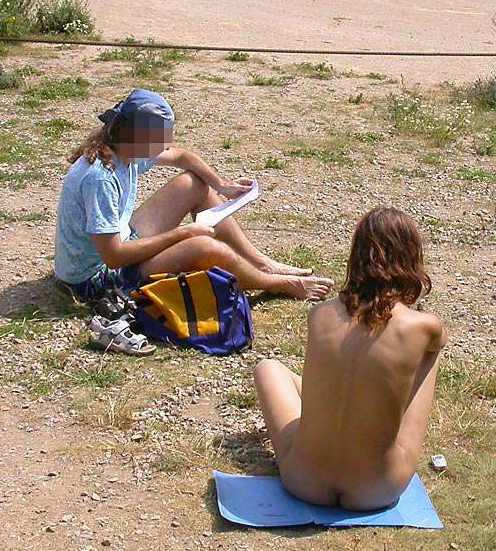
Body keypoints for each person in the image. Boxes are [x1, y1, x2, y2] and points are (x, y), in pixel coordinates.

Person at [53, 89, 335, 305]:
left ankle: (262, 262)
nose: (165, 145)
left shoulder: (122, 148)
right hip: (94, 280)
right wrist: (183, 234)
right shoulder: (101, 178)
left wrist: (222, 185)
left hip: (119, 245)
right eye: (160, 139)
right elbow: (114, 257)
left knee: (194, 184)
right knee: (203, 246)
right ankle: (276, 283)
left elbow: (182, 157)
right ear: (137, 136)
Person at [253, 208, 446, 511]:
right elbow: (438, 340)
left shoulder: (320, 315)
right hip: (378, 489)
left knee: (268, 368)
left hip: (303, 482)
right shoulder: (423, 327)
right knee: (430, 353)